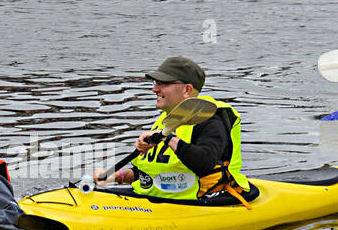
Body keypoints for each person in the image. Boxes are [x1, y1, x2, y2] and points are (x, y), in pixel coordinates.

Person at [95, 56, 254, 203]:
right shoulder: (164, 122)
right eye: (155, 83)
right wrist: (116, 177)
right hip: (153, 200)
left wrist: (167, 138)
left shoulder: (210, 120)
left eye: (162, 83)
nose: (155, 89)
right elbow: (148, 173)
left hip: (195, 204)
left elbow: (205, 163)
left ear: (187, 90)